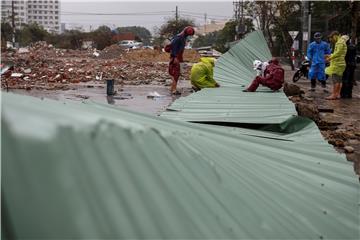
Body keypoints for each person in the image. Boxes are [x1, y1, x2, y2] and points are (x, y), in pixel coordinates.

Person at [168, 26, 195, 95]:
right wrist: (175, 58)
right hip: (175, 58)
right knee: (176, 74)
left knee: (176, 74)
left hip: (177, 58)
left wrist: (181, 60)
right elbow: (173, 47)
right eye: (188, 35)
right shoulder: (179, 38)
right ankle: (173, 90)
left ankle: (172, 89)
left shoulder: (181, 37)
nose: (188, 36)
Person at [325, 31, 348, 100]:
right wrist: (330, 55)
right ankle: (338, 94)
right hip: (340, 63)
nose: (331, 40)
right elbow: (338, 53)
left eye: (331, 38)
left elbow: (338, 53)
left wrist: (330, 58)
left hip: (337, 64)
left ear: (335, 36)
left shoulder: (340, 42)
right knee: (339, 80)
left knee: (336, 81)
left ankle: (334, 95)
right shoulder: (342, 41)